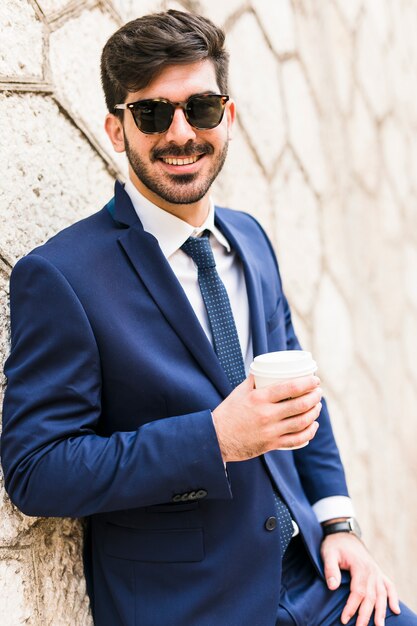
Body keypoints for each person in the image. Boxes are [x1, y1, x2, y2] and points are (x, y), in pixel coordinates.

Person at [1, 10, 416, 626]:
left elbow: (303, 392)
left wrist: (339, 523)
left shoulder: (250, 240)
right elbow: (37, 471)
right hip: (188, 604)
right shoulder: (61, 277)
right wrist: (214, 439)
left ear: (228, 115)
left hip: (312, 580)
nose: (180, 133)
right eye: (151, 114)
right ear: (116, 129)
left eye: (199, 108)